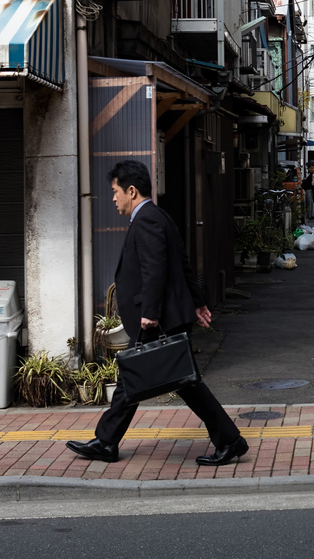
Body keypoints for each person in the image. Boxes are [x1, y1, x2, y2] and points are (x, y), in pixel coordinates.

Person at [66, 160, 248, 467]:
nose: (113, 198)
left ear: (131, 191)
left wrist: (149, 312)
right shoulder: (158, 216)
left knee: (184, 382)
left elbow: (155, 269)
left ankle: (230, 440)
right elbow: (183, 261)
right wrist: (198, 301)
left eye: (115, 191)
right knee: (136, 378)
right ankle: (106, 442)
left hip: (159, 319)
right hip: (169, 314)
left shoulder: (147, 219)